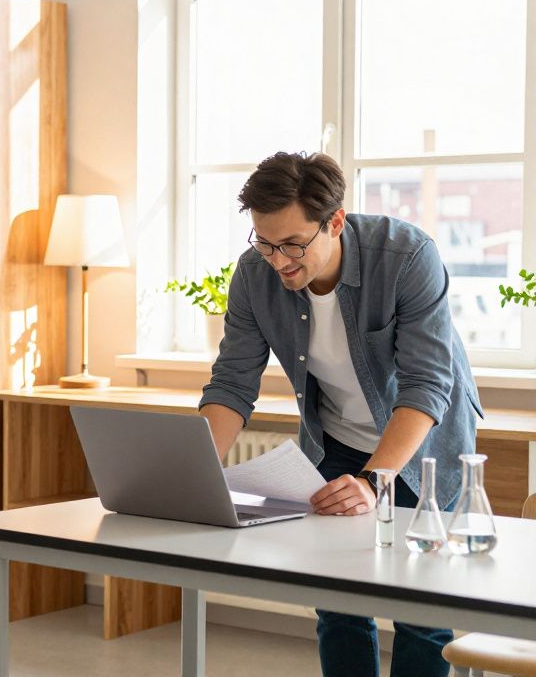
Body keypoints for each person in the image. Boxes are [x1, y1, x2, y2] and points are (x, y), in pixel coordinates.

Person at [199, 151, 481, 677]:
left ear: (335, 222)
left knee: (421, 610)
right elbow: (233, 381)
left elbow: (425, 386)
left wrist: (375, 479)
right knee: (337, 602)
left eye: (293, 245)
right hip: (336, 445)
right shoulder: (253, 276)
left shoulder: (406, 256)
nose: (279, 260)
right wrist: (193, 473)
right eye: (265, 242)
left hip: (421, 447)